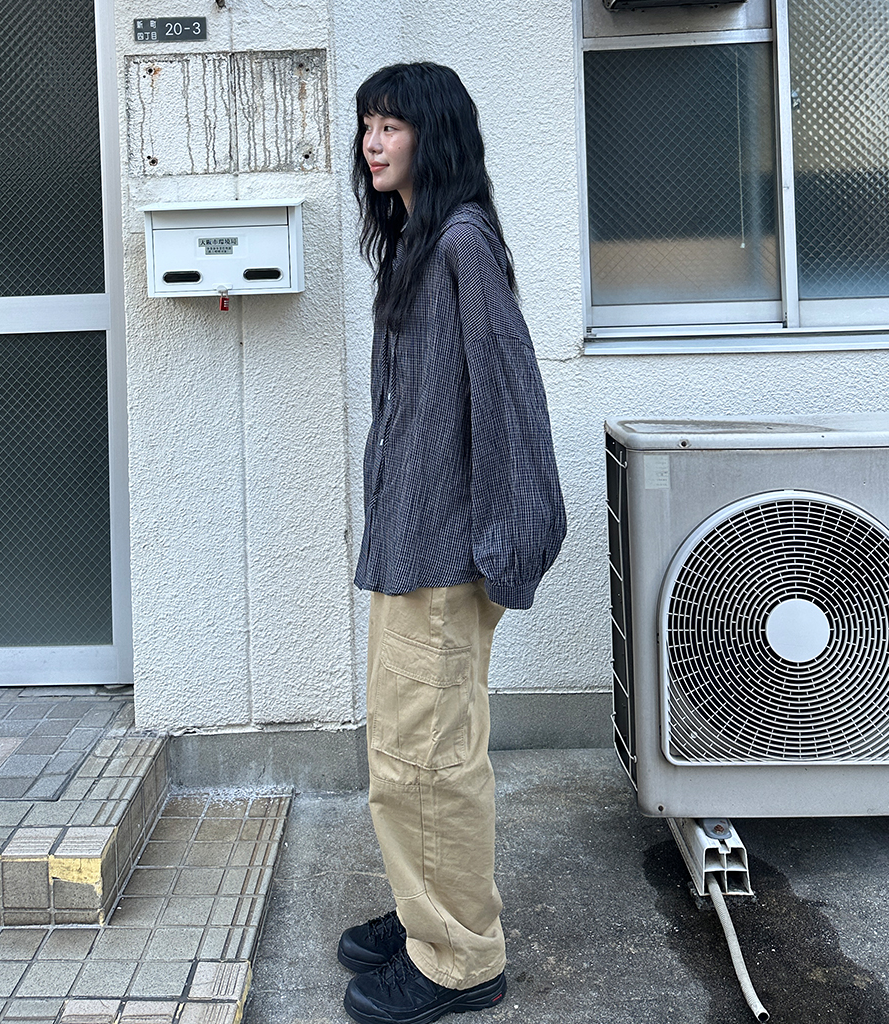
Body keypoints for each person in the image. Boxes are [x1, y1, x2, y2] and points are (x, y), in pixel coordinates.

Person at [338, 62, 567, 1024]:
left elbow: (513, 397)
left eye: (391, 125)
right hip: (413, 549)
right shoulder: (418, 243)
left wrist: (508, 545)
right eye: (367, 124)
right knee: (406, 750)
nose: (372, 142)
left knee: (425, 763)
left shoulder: (462, 244)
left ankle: (459, 961)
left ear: (435, 137)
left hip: (443, 559)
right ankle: (424, 911)